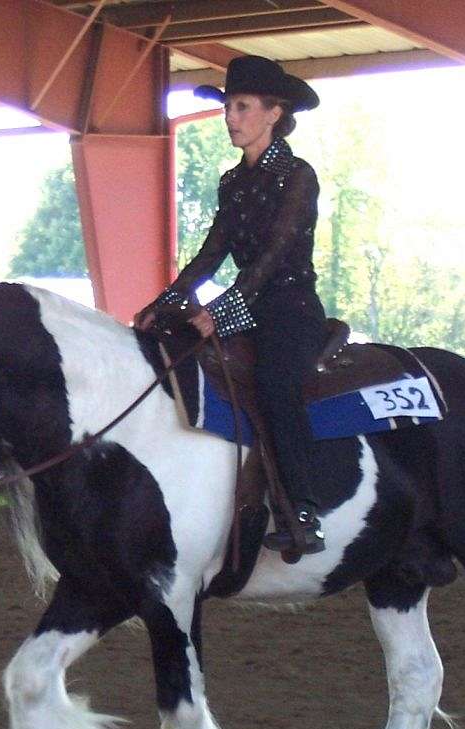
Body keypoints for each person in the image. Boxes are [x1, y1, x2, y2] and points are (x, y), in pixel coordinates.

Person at [134, 55, 328, 555]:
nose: (230, 118)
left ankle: (305, 509)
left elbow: (270, 258)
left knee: (274, 383)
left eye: (241, 107)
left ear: (273, 112)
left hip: (290, 309)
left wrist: (219, 311)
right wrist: (168, 299)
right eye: (228, 108)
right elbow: (213, 252)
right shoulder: (232, 181)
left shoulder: (298, 176)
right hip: (249, 305)